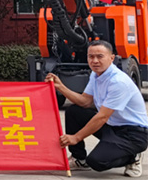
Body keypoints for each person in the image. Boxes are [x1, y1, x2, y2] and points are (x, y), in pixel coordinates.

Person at [46, 40, 148, 177]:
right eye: (91, 56)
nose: (94, 61)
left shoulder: (118, 82)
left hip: (132, 134)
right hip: (111, 126)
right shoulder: (96, 75)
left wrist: (76, 137)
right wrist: (60, 87)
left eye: (100, 56)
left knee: (96, 162)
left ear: (111, 58)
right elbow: (85, 102)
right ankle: (79, 159)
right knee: (74, 111)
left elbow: (102, 117)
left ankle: (133, 157)